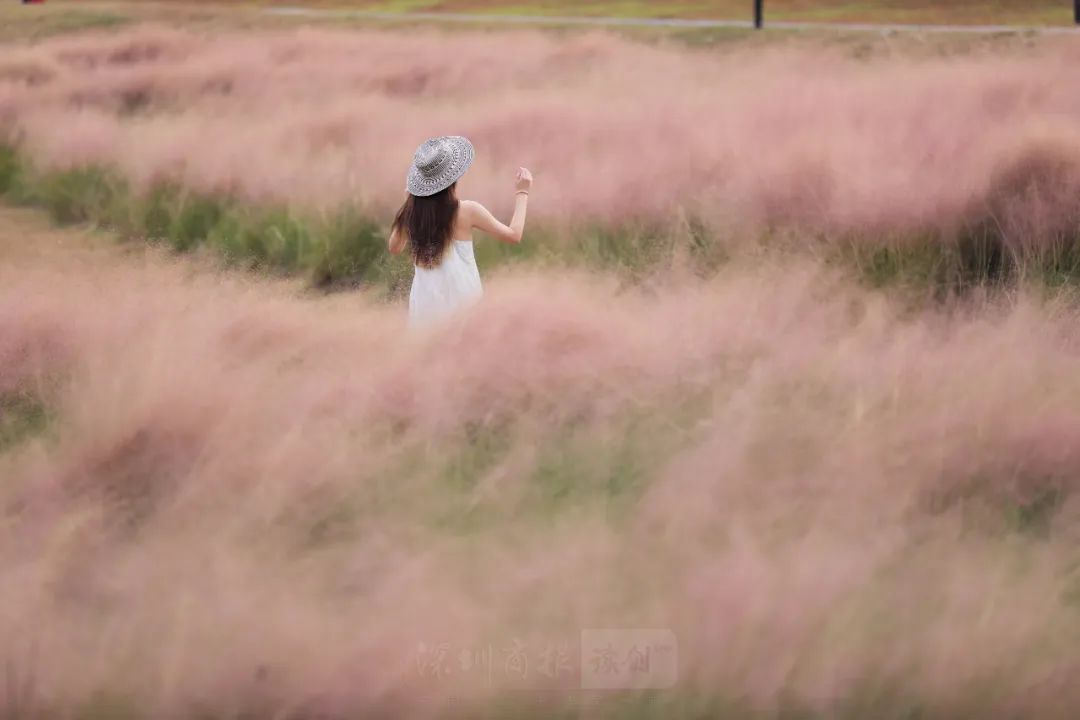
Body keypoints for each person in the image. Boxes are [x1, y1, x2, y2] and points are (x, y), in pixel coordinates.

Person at [389, 136, 532, 327]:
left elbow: (394, 247)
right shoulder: (467, 211)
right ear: (452, 177)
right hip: (464, 301)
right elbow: (514, 235)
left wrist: (410, 202)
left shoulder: (412, 213)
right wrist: (522, 193)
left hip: (425, 305)